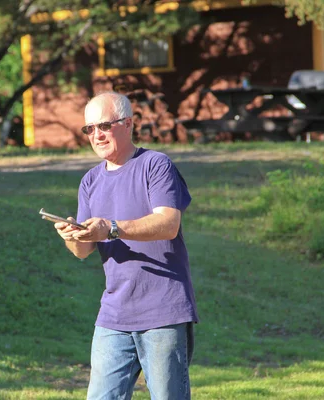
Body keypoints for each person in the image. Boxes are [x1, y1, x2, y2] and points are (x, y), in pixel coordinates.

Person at [52, 91, 199, 399]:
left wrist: (113, 228)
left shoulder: (156, 165)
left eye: (103, 125)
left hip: (163, 311)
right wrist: (72, 236)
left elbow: (169, 224)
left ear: (129, 123)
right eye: (89, 128)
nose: (96, 134)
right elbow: (83, 251)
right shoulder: (90, 181)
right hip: (114, 314)